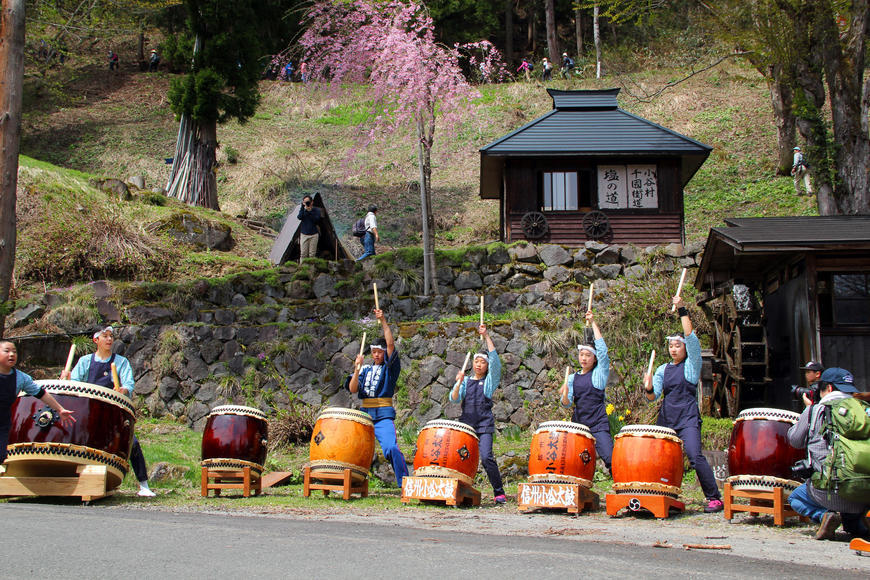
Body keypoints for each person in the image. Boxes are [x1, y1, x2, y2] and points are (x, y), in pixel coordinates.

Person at [643, 295, 723, 513]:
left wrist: (682, 309)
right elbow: (653, 398)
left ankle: (714, 498)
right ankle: (663, 495)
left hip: (687, 418)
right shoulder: (662, 369)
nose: (674, 349)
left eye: (678, 345)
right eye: (671, 346)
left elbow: (692, 337)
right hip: (667, 418)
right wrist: (649, 387)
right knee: (658, 457)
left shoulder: (691, 365)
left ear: (685, 348)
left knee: (695, 456)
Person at [61, 327, 155, 497]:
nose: (109, 339)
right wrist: (66, 379)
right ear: (96, 340)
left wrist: (124, 390)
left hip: (111, 413)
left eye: (111, 336)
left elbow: (128, 383)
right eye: (105, 336)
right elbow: (74, 384)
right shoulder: (84, 361)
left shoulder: (121, 362)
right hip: (87, 413)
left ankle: (144, 485)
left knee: (131, 442)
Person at [787, 367, 870, 540]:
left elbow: (794, 440)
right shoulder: (865, 410)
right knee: (853, 509)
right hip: (865, 491)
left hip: (827, 492)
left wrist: (807, 411)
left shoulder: (815, 411)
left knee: (796, 497)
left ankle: (824, 515)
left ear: (829, 388)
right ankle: (856, 522)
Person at [347, 309, 408, 486]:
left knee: (390, 447)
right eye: (373, 352)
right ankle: (350, 483)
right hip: (364, 414)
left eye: (379, 352)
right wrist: (356, 370)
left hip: (383, 414)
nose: (376, 355)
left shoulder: (389, 369)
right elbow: (352, 389)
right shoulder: (365, 369)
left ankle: (404, 482)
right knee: (353, 448)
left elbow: (390, 344)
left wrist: (383, 321)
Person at [450, 324, 507, 504]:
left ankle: (499, 492)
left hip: (484, 425)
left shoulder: (489, 383)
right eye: (476, 362)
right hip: (466, 426)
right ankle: (460, 489)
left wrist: (487, 336)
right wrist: (458, 383)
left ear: (486, 366)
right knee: (461, 457)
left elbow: (496, 364)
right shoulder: (465, 381)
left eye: (482, 362)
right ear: (472, 364)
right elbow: (453, 398)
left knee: (486, 457)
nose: (479, 365)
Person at [1, 341, 76, 464]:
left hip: (2, 423)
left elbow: (40, 393)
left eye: (14, 351)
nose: (11, 354)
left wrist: (60, 409)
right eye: (7, 351)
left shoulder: (21, 378)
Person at [560, 310, 613, 472]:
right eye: (581, 355)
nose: (584, 358)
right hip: (579, 425)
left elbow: (603, 352)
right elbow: (566, 404)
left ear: (594, 358)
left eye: (588, 355)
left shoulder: (599, 374)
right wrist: (565, 394)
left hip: (598, 423)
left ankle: (622, 488)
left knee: (611, 458)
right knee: (577, 464)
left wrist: (594, 322)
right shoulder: (572, 378)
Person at [297, 195, 321, 261]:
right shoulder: (303, 209)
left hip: (314, 234)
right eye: (305, 202)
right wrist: (303, 208)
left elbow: (316, 220)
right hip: (304, 234)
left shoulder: (316, 210)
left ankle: (311, 269)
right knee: (303, 254)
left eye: (308, 202)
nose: (307, 203)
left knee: (312, 254)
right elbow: (299, 217)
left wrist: (310, 212)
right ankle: (302, 269)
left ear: (312, 202)